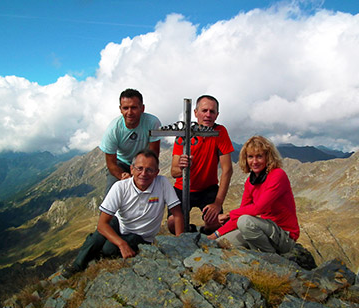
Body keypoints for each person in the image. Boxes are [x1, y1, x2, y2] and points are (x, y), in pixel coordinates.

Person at [62, 149, 184, 278]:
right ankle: (77, 266)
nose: (144, 173)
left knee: (109, 248)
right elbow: (102, 224)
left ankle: (100, 254)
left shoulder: (163, 183)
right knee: (98, 235)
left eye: (149, 170)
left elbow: (177, 214)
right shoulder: (120, 187)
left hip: (142, 237)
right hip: (121, 226)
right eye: (139, 168)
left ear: (156, 173)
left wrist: (180, 243)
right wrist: (122, 244)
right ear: (131, 169)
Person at [208, 136, 300, 254]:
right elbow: (241, 213)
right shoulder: (250, 182)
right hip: (264, 231)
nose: (254, 162)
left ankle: (270, 258)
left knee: (245, 222)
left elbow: (259, 208)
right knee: (220, 243)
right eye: (250, 157)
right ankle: (258, 251)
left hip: (285, 236)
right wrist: (215, 235)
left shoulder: (278, 175)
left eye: (259, 156)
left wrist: (229, 214)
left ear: (268, 157)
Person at [168, 95, 234, 234]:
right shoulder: (183, 133)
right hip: (182, 188)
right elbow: (174, 173)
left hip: (208, 189)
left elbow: (227, 170)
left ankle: (204, 233)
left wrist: (217, 203)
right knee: (173, 223)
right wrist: (182, 168)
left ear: (217, 115)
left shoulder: (220, 132)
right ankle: (191, 233)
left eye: (212, 111)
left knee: (217, 222)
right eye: (204, 111)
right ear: (196, 113)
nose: (208, 115)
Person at [99, 88, 161, 194]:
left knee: (153, 193)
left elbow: (154, 154)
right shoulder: (113, 129)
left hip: (144, 161)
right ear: (120, 109)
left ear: (142, 108)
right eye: (125, 108)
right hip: (121, 163)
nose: (129, 112)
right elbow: (111, 164)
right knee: (111, 194)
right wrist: (123, 176)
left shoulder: (153, 123)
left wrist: (142, 173)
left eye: (134, 107)